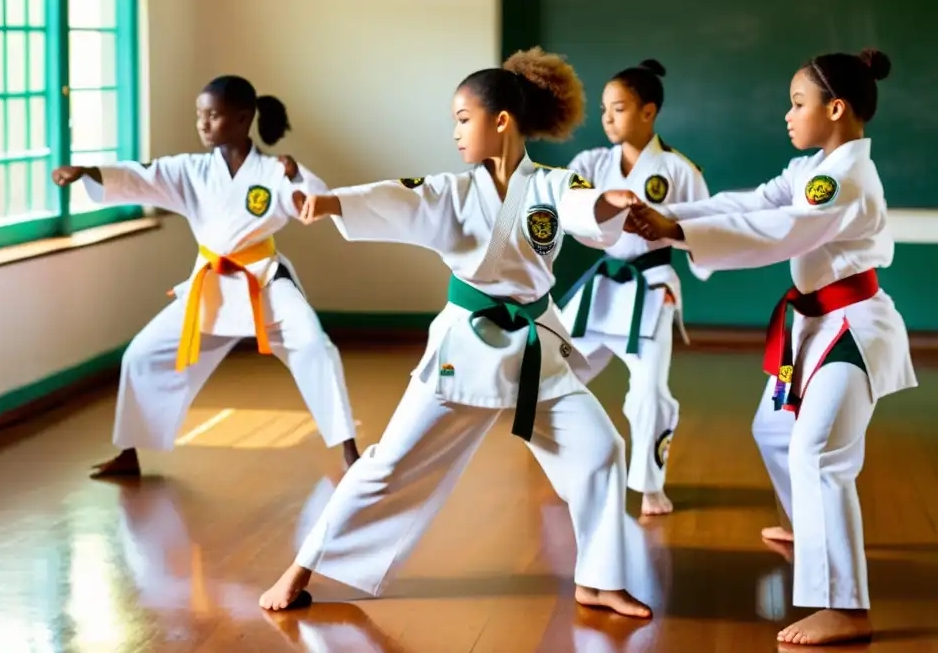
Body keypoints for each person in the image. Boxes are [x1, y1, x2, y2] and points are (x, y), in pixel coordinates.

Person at [259, 48, 652, 620]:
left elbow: (580, 204)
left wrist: (608, 201)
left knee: (599, 448)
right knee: (388, 464)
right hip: (464, 349)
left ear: (501, 121)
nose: (455, 132)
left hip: (537, 344)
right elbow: (398, 196)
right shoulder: (451, 190)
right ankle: (301, 566)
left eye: (463, 119)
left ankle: (598, 579)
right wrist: (333, 200)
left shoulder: (553, 185)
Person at [626, 48, 917, 646]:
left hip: (852, 330)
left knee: (819, 454)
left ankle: (845, 607)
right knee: (775, 430)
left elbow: (780, 229)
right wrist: (668, 213)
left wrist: (675, 231)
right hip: (813, 328)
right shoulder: (816, 167)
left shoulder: (844, 177)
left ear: (835, 109)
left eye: (798, 103)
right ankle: (811, 531)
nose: (787, 114)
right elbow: (752, 203)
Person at [52, 76, 361, 478]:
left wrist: (297, 174)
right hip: (211, 285)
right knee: (142, 354)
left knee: (316, 347)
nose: (202, 124)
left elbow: (310, 200)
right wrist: (91, 172)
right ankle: (129, 452)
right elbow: (143, 175)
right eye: (200, 115)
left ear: (242, 119)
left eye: (213, 116)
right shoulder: (190, 170)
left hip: (263, 281)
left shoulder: (272, 170)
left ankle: (349, 450)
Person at [558, 59, 711, 516]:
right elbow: (566, 206)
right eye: (604, 109)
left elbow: (708, 226)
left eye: (618, 108)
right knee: (551, 372)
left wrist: (677, 246)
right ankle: (572, 469)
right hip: (603, 287)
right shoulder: (589, 163)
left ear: (648, 111)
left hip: (651, 287)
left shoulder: (678, 170)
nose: (607, 118)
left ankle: (649, 485)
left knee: (647, 391)